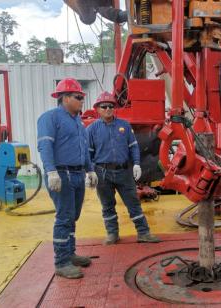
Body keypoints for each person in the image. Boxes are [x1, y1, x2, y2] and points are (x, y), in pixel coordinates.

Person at [37, 78, 98, 279]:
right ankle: (61, 262)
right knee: (64, 217)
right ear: (64, 98)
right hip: (61, 174)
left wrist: (90, 170)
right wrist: (51, 171)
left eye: (82, 97)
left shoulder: (78, 122)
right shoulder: (50, 118)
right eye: (78, 97)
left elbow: (84, 150)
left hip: (78, 174)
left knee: (73, 216)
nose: (82, 100)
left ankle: (69, 253)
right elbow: (44, 146)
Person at [87, 91, 161, 245]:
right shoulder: (92, 130)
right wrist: (89, 172)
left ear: (115, 108)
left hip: (124, 171)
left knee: (133, 204)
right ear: (98, 109)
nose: (108, 109)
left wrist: (136, 164)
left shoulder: (124, 126)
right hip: (102, 173)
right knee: (107, 206)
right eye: (104, 106)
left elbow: (133, 146)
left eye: (111, 106)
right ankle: (112, 234)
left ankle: (143, 233)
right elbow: (88, 152)